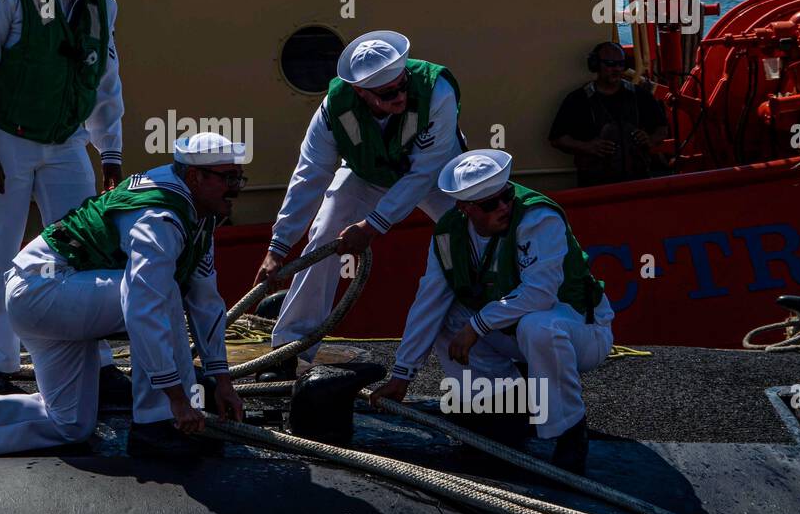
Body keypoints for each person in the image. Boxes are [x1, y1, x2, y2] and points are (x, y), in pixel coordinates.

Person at [0, 133, 247, 460]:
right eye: (228, 178)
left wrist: (223, 381)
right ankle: (155, 426)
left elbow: (205, 301)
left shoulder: (198, 217)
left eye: (238, 178)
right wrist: (177, 400)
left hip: (61, 297)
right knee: (160, 291)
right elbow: (144, 305)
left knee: (70, 424)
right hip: (45, 291)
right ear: (196, 177)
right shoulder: (160, 218)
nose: (235, 189)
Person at [0, 0, 130, 403]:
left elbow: (104, 80)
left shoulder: (102, 4)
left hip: (66, 144)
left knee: (82, 251)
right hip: (7, 141)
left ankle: (91, 361)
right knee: (0, 248)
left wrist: (111, 152)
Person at [369, 149, 614, 474]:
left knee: (537, 326)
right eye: (489, 204)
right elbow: (429, 301)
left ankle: (568, 431)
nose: (503, 207)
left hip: (581, 329)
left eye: (507, 195)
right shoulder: (449, 235)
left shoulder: (539, 218)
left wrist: (478, 326)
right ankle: (503, 406)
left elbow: (539, 294)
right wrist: (402, 373)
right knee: (447, 317)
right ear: (465, 208)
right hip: (516, 333)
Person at [252, 30, 463, 380]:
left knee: (469, 238)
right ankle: (290, 348)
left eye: (402, 84)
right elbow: (310, 175)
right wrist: (279, 246)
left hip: (436, 173)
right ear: (360, 92)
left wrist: (373, 225)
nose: (401, 95)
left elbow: (423, 172)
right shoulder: (334, 109)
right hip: (368, 173)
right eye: (387, 93)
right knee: (323, 234)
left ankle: (493, 337)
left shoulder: (437, 90)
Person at [549, 41, 668, 187]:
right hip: (594, 185)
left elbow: (662, 130)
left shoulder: (640, 96)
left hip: (638, 182)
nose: (616, 69)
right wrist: (588, 147)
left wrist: (650, 139)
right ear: (595, 65)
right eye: (610, 64)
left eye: (620, 64)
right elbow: (557, 139)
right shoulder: (578, 99)